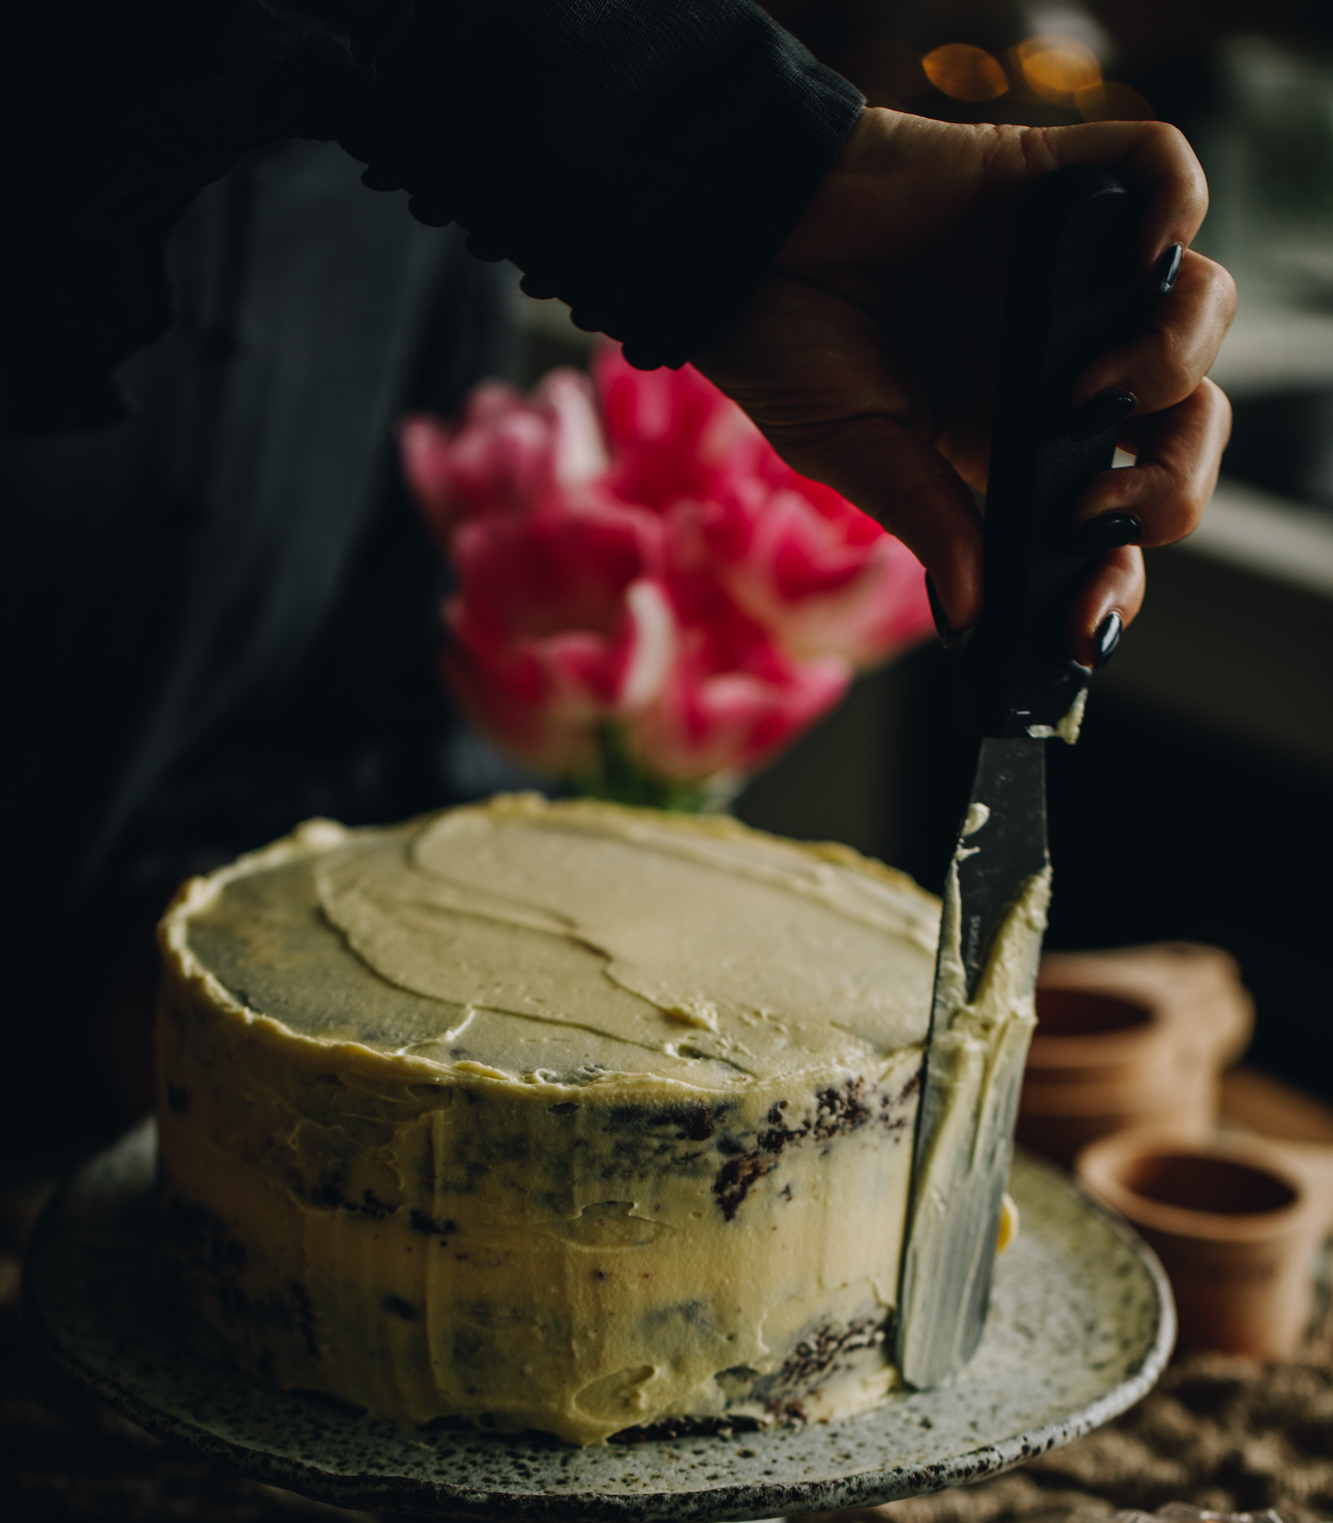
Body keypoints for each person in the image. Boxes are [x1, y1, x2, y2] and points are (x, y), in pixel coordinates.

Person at [2, 1, 1232, 1152]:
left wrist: (760, 210)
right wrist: (763, 167)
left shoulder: (413, 192)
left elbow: (384, 692)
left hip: (171, 1142)